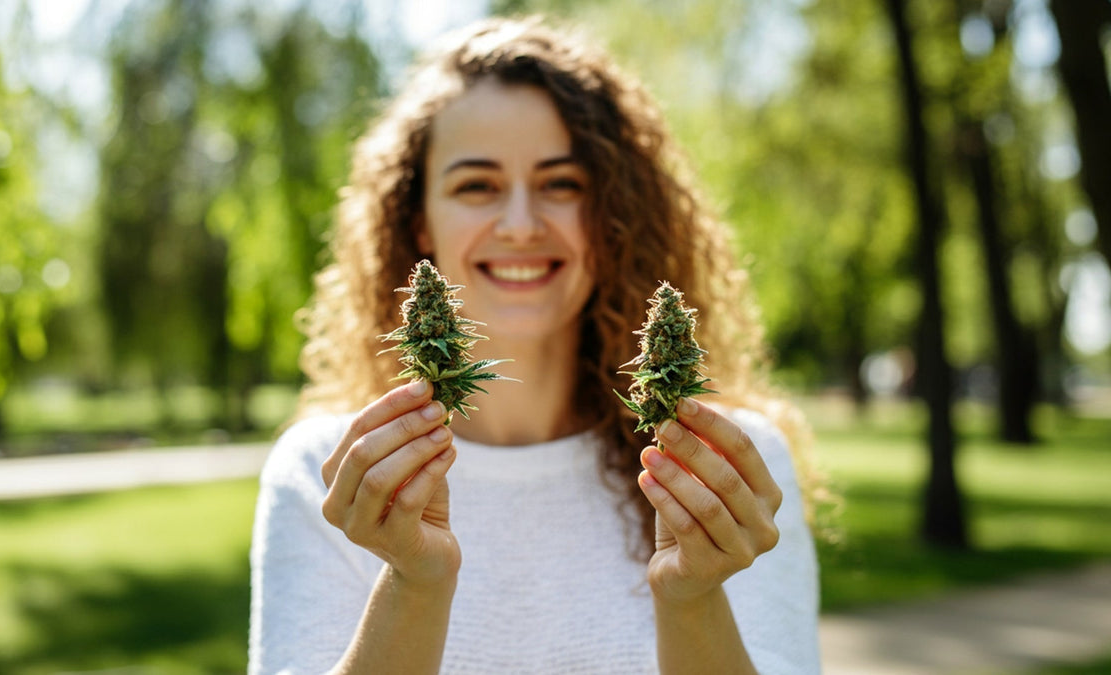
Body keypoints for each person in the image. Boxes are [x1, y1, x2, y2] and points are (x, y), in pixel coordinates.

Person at [249, 15, 822, 674]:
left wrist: (691, 601)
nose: (521, 224)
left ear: (612, 213)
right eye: (477, 185)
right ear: (420, 221)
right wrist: (414, 585)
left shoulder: (728, 473)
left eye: (561, 183)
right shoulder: (331, 477)